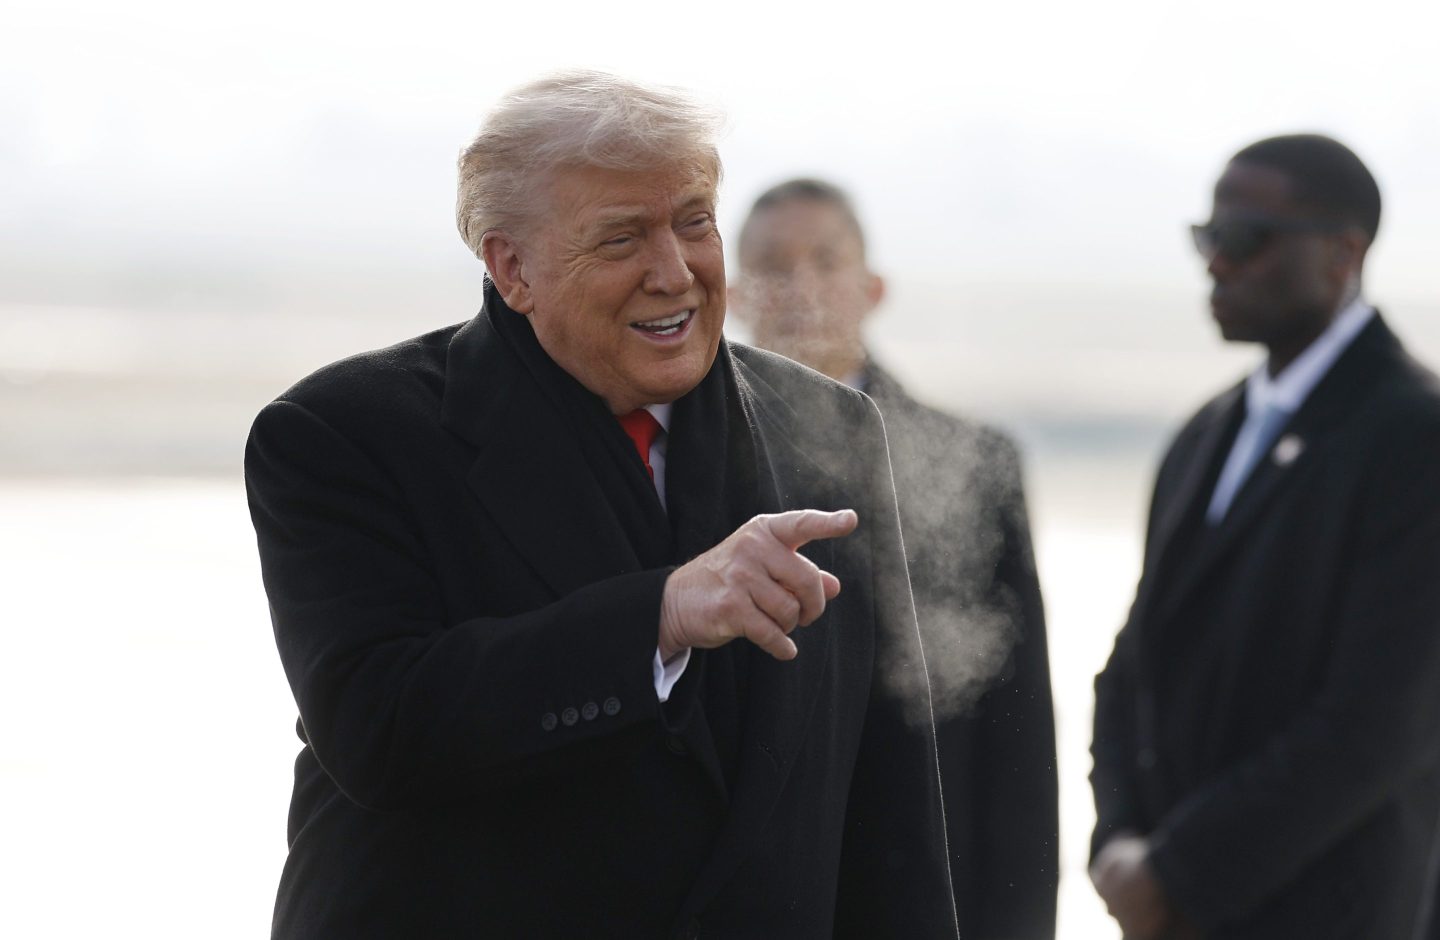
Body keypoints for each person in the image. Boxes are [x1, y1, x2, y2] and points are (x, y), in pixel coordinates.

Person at [244, 71, 958, 938]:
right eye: (622, 239)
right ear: (512, 267)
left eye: (694, 222)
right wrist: (660, 617)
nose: (674, 272)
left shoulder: (831, 426)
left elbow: (890, 794)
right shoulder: (343, 433)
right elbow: (378, 729)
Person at [1089, 134, 1440, 939]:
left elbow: (1378, 723)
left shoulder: (1415, 439)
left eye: (1246, 238)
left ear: (1344, 252)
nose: (1217, 263)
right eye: (1206, 237)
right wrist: (1119, 844)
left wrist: (1178, 872)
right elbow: (1135, 663)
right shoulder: (1205, 434)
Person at [732, 178, 1059, 939]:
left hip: (922, 889)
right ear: (738, 295)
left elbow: (1016, 729)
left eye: (825, 261)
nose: (801, 288)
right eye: (773, 265)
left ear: (872, 287)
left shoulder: (972, 462)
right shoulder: (688, 461)